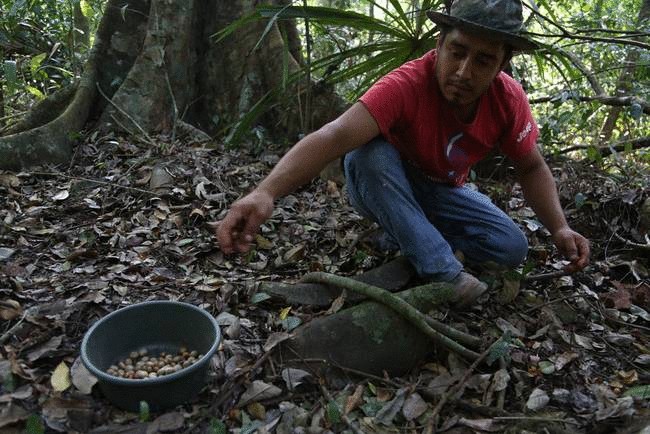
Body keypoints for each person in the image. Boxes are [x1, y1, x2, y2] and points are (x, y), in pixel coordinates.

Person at [216, 0, 590, 308]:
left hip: (443, 191)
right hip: (382, 184)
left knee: (511, 247)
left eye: (482, 61)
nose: (463, 71)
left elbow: (531, 166)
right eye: (457, 52)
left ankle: (407, 240)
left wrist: (559, 227)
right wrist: (266, 191)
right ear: (440, 44)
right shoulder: (406, 84)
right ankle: (444, 271)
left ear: (502, 65)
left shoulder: (507, 100)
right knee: (367, 155)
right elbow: (335, 136)